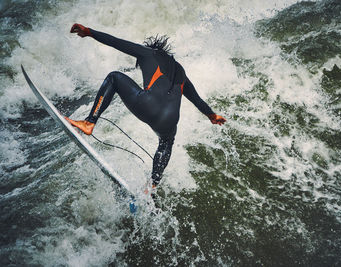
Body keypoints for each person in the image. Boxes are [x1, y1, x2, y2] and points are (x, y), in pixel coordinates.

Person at [66, 23, 226, 191]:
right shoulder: (180, 71)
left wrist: (89, 32)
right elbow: (197, 100)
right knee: (166, 142)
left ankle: (89, 122)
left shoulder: (147, 53)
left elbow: (116, 42)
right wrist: (212, 116)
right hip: (170, 120)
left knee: (114, 77)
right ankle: (152, 185)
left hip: (149, 105)